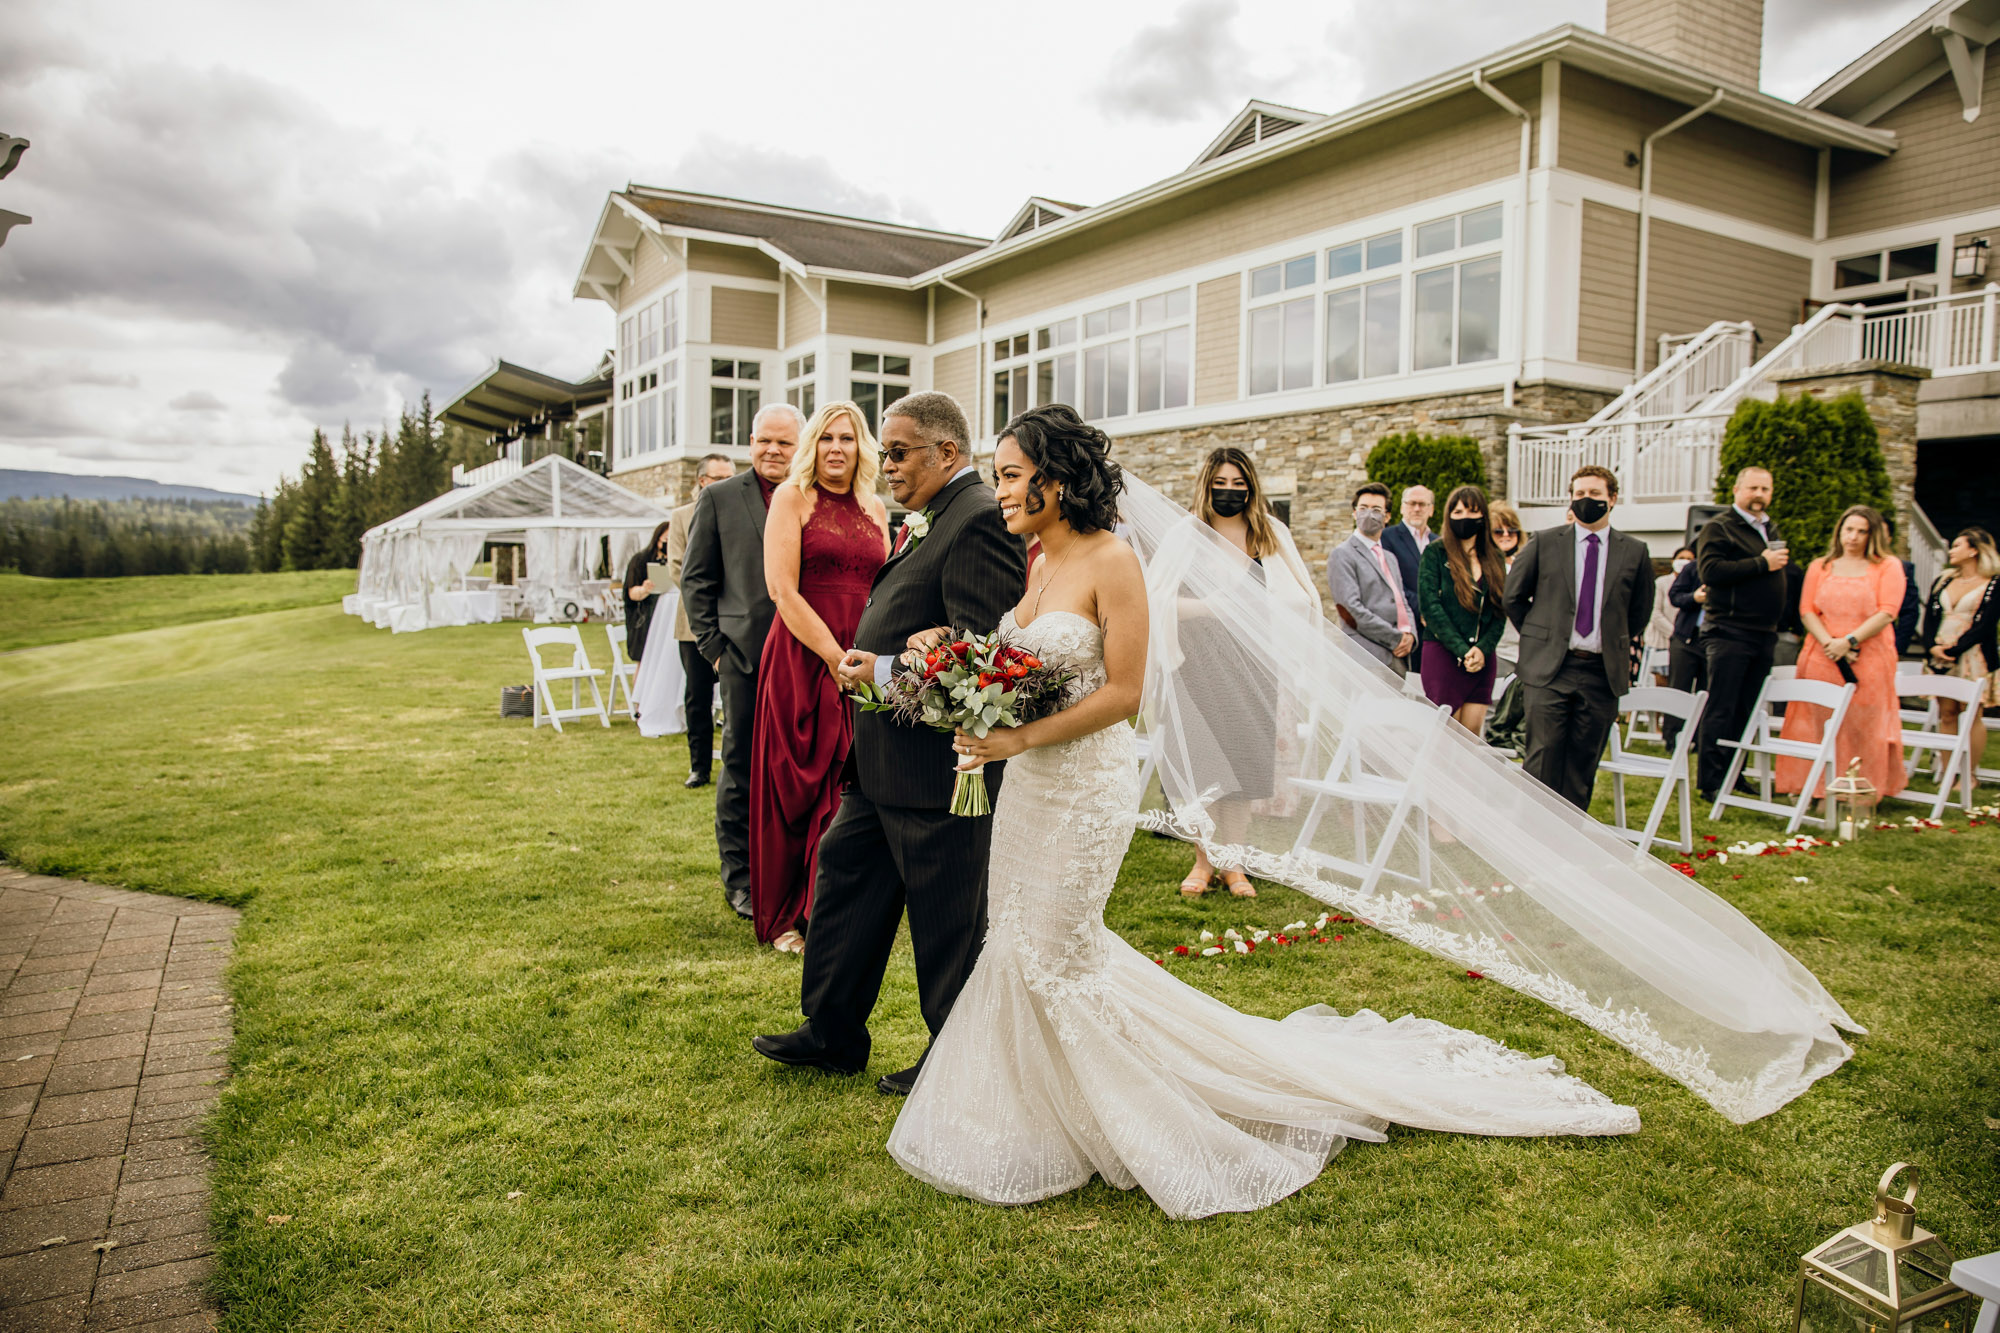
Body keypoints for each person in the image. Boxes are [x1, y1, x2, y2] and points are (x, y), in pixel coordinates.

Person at [885, 405, 1644, 1221]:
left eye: (1009, 474)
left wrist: (1018, 733)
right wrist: (973, 697)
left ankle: (1130, 1115)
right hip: (1030, 783)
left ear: (1056, 480)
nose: (999, 490)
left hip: (1082, 789)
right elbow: (1025, 667)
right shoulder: (1038, 567)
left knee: (1057, 953)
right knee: (1019, 941)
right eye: (997, 475)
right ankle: (1034, 1115)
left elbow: (1125, 692)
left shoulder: (1114, 560)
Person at [752, 391, 1025, 1097]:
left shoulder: (976, 523)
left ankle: (954, 1055)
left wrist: (877, 668)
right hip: (878, 756)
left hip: (934, 768)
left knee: (944, 922)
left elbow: (980, 659)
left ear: (947, 453)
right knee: (843, 883)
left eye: (899, 452)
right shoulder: (931, 517)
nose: (888, 465)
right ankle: (833, 1030)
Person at [750, 404, 889, 955]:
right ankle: (785, 915)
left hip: (864, 661)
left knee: (849, 785)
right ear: (812, 444)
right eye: (826, 437)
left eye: (848, 439)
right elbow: (782, 590)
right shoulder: (792, 497)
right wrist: (835, 657)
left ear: (862, 447)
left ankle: (826, 909)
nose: (837, 448)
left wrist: (870, 661)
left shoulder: (876, 507)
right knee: (796, 784)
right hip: (804, 656)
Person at [1177, 446, 1321, 901]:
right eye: (1220, 484)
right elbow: (1155, 600)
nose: (1229, 492)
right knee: (1206, 770)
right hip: (1199, 669)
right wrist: (1210, 607)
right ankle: (1204, 860)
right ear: (1207, 486)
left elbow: (1303, 597)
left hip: (1256, 670)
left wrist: (1265, 610)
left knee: (1243, 770)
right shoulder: (1187, 536)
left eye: (1238, 484)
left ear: (1251, 488)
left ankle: (1233, 862)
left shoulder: (1269, 536)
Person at [681, 407, 803, 920]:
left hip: (805, 658)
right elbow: (696, 579)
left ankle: (797, 872)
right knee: (740, 768)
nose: (773, 451)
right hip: (744, 659)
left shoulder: (814, 497)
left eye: (785, 443)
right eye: (764, 441)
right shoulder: (718, 498)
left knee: (800, 768)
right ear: (750, 441)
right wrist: (715, 651)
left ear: (802, 445)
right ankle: (741, 880)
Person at [1502, 465, 1654, 810]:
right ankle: (1532, 835)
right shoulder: (1545, 542)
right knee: (1541, 759)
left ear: (1612, 499)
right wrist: (1542, 635)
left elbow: (1640, 611)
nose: (1587, 500)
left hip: (1601, 673)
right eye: (1580, 494)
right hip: (1550, 670)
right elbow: (1513, 596)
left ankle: (1571, 845)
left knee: (1582, 765)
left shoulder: (1634, 551)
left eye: (1595, 494)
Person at [1776, 506, 1906, 800]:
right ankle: (1819, 788)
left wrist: (1848, 640)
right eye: (1849, 529)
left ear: (1872, 535)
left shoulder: (1887, 566)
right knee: (1820, 722)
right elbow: (1807, 610)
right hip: (1822, 654)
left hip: (1868, 655)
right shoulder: (1821, 566)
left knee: (1863, 724)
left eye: (1862, 531)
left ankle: (1859, 790)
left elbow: (1888, 611)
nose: (1854, 537)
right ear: (1840, 531)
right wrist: (1830, 643)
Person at [1693, 466, 1789, 803]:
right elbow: (1711, 571)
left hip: (1763, 632)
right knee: (1722, 706)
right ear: (1737, 490)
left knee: (1747, 708)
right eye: (1753, 488)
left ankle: (1735, 775)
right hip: (1729, 630)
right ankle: (1711, 780)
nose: (1760, 495)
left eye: (1765, 488)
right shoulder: (1719, 527)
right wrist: (1761, 564)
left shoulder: (1768, 528)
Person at [665, 453, 736, 786]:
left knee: (738, 698)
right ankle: (699, 767)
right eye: (718, 478)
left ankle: (738, 765)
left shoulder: (742, 512)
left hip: (738, 621)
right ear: (702, 481)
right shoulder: (681, 517)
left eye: (730, 477)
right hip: (695, 624)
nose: (726, 483)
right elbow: (678, 568)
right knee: (698, 697)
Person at [1417, 485, 1507, 736]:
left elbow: (1500, 611)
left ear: (1482, 517)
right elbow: (1430, 607)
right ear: (1448, 516)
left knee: (1471, 735)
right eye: (1458, 512)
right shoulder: (1435, 553)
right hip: (1443, 652)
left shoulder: (1495, 557)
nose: (1464, 518)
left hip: (1482, 657)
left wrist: (1483, 649)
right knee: (1446, 735)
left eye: (1472, 511)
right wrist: (1462, 650)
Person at [1915, 526, 2000, 774]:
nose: (1951, 551)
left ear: (1973, 550)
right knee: (1947, 713)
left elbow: (1986, 625)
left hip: (1973, 654)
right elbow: (1929, 618)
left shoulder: (1993, 583)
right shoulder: (1944, 580)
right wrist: (1931, 646)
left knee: (1971, 713)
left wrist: (1955, 649)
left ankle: (1969, 775)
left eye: (1956, 545)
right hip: (1940, 653)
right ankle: (1948, 773)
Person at [1326, 483, 1417, 678]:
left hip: (1398, 657)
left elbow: (1402, 602)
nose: (1369, 514)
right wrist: (1395, 638)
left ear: (1387, 516)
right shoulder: (1342, 554)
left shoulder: (1389, 558)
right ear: (1354, 513)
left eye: (1376, 509)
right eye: (1363, 508)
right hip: (1367, 657)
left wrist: (1410, 635)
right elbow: (1350, 610)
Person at [1481, 502, 1530, 754]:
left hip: (1523, 650)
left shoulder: (1526, 564)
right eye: (1498, 531)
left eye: (1511, 530)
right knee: (1490, 708)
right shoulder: (1482, 566)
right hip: (1495, 647)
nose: (1506, 536)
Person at [1663, 544, 1706, 750]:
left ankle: (1699, 739)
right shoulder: (1693, 568)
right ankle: (1672, 739)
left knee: (1705, 692)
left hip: (1713, 639)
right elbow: (1675, 596)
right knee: (1678, 688)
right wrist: (1694, 598)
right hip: (1686, 637)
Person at [1379, 483, 1434, 629]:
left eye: (1422, 504)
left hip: (1436, 626)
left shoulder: (1439, 542)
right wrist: (1425, 609)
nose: (1417, 509)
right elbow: (1390, 583)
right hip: (1403, 625)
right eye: (1412, 503)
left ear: (1431, 510)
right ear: (1402, 507)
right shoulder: (1386, 537)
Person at [620, 519, 672, 664]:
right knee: (644, 664)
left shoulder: (678, 562)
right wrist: (645, 589)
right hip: (645, 618)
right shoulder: (640, 560)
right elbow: (632, 593)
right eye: (667, 540)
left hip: (669, 618)